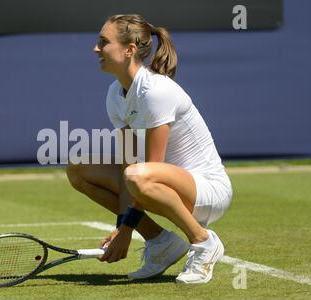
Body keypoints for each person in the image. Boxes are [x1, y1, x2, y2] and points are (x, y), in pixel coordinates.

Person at [66, 14, 233, 284]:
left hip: (209, 192)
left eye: (103, 42)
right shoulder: (115, 94)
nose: (96, 49)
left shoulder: (156, 91)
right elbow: (128, 166)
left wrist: (125, 230)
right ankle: (160, 243)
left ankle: (203, 242)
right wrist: (124, 225)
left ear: (129, 50)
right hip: (162, 183)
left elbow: (149, 170)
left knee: (138, 175)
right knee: (79, 170)